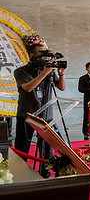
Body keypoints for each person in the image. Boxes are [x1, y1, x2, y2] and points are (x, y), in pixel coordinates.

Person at [13, 34, 66, 175]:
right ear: (31, 55)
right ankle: (20, 174)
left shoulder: (48, 71)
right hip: (27, 114)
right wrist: (44, 73)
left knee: (46, 148)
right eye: (42, 54)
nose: (46, 58)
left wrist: (60, 75)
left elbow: (61, 88)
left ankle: (45, 173)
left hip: (46, 115)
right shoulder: (21, 71)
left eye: (47, 54)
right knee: (22, 146)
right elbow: (28, 88)